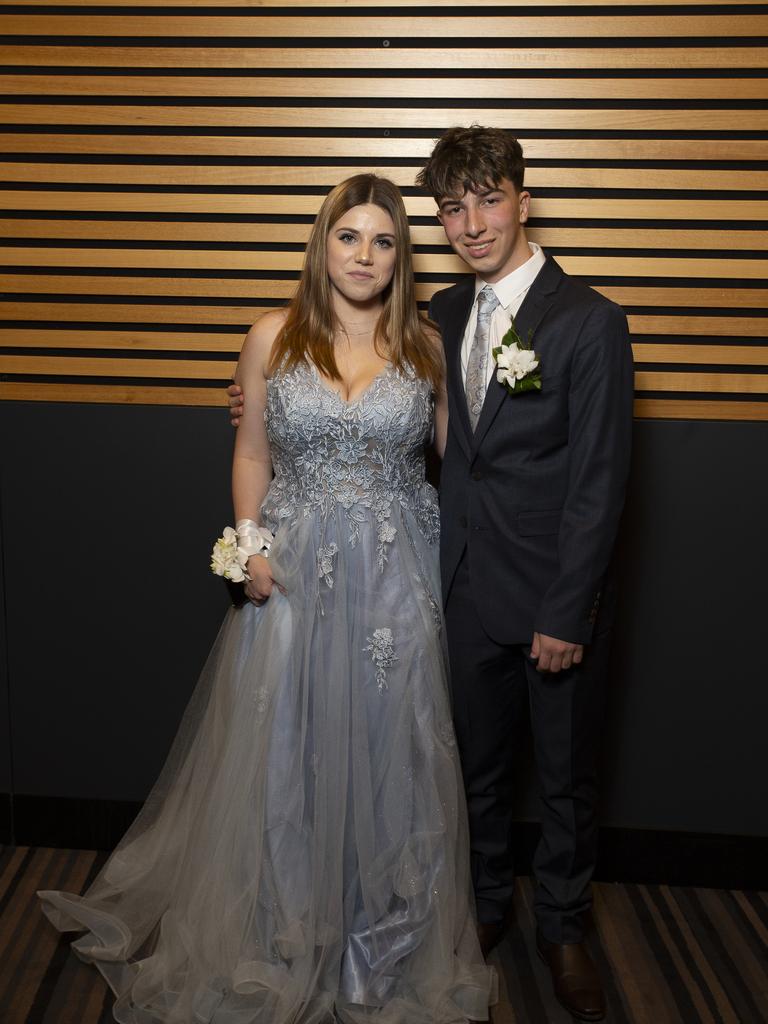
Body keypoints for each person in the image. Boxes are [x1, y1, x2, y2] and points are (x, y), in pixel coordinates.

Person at [39, 174, 495, 1024]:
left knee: (392, 756)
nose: (365, 255)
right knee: (289, 750)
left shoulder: (428, 347)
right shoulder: (270, 337)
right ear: (322, 245)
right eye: (349, 237)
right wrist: (247, 543)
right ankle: (289, 930)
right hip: (291, 567)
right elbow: (251, 451)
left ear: (403, 255)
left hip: (399, 577)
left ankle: (380, 940)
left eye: (384, 240)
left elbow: (466, 463)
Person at [417, 127, 634, 1022]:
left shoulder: (588, 319)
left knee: (565, 779)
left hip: (552, 598)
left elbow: (600, 482)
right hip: (463, 588)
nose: (471, 223)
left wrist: (568, 609)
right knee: (474, 768)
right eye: (452, 207)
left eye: (487, 199)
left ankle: (564, 926)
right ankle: (481, 905)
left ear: (522, 199)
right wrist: (260, 389)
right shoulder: (441, 314)